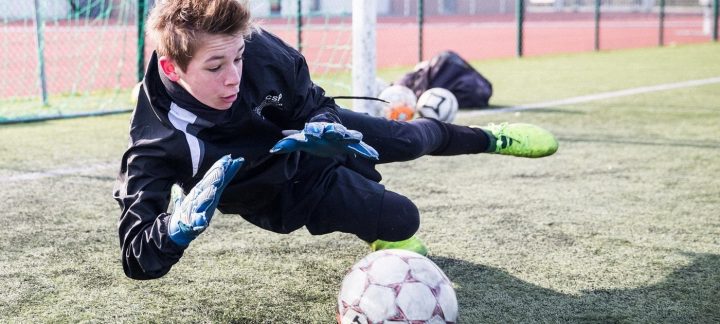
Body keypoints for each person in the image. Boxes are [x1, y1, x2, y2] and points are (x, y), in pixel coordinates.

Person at [113, 0, 558, 280]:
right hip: (279, 191)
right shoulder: (157, 141)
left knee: (409, 138)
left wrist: (325, 128)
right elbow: (136, 257)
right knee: (403, 219)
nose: (234, 77)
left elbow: (313, 101)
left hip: (313, 138)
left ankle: (490, 138)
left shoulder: (259, 49)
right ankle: (382, 232)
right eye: (215, 67)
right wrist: (172, 233)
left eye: (239, 57)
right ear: (173, 68)